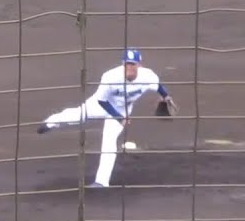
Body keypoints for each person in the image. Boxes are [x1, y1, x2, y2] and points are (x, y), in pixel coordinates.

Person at [36, 48, 177, 188]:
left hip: (123, 109)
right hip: (101, 105)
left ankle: (102, 181)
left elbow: (158, 86)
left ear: (139, 65)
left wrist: (166, 96)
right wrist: (118, 118)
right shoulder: (110, 76)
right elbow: (102, 101)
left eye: (133, 64)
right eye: (127, 63)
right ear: (122, 64)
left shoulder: (147, 76)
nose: (129, 67)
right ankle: (51, 122)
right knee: (78, 115)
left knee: (109, 141)